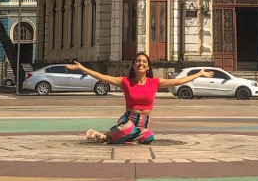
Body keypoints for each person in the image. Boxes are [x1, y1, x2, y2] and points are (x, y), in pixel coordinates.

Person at [68, 53, 213, 145]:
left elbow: (179, 82)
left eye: (144, 61)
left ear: (148, 67)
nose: (141, 63)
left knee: (148, 137)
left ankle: (104, 135)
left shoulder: (155, 82)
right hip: (128, 120)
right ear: (133, 65)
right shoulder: (126, 81)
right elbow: (103, 77)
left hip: (144, 123)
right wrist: (82, 68)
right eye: (138, 61)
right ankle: (106, 135)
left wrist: (199, 73)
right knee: (128, 129)